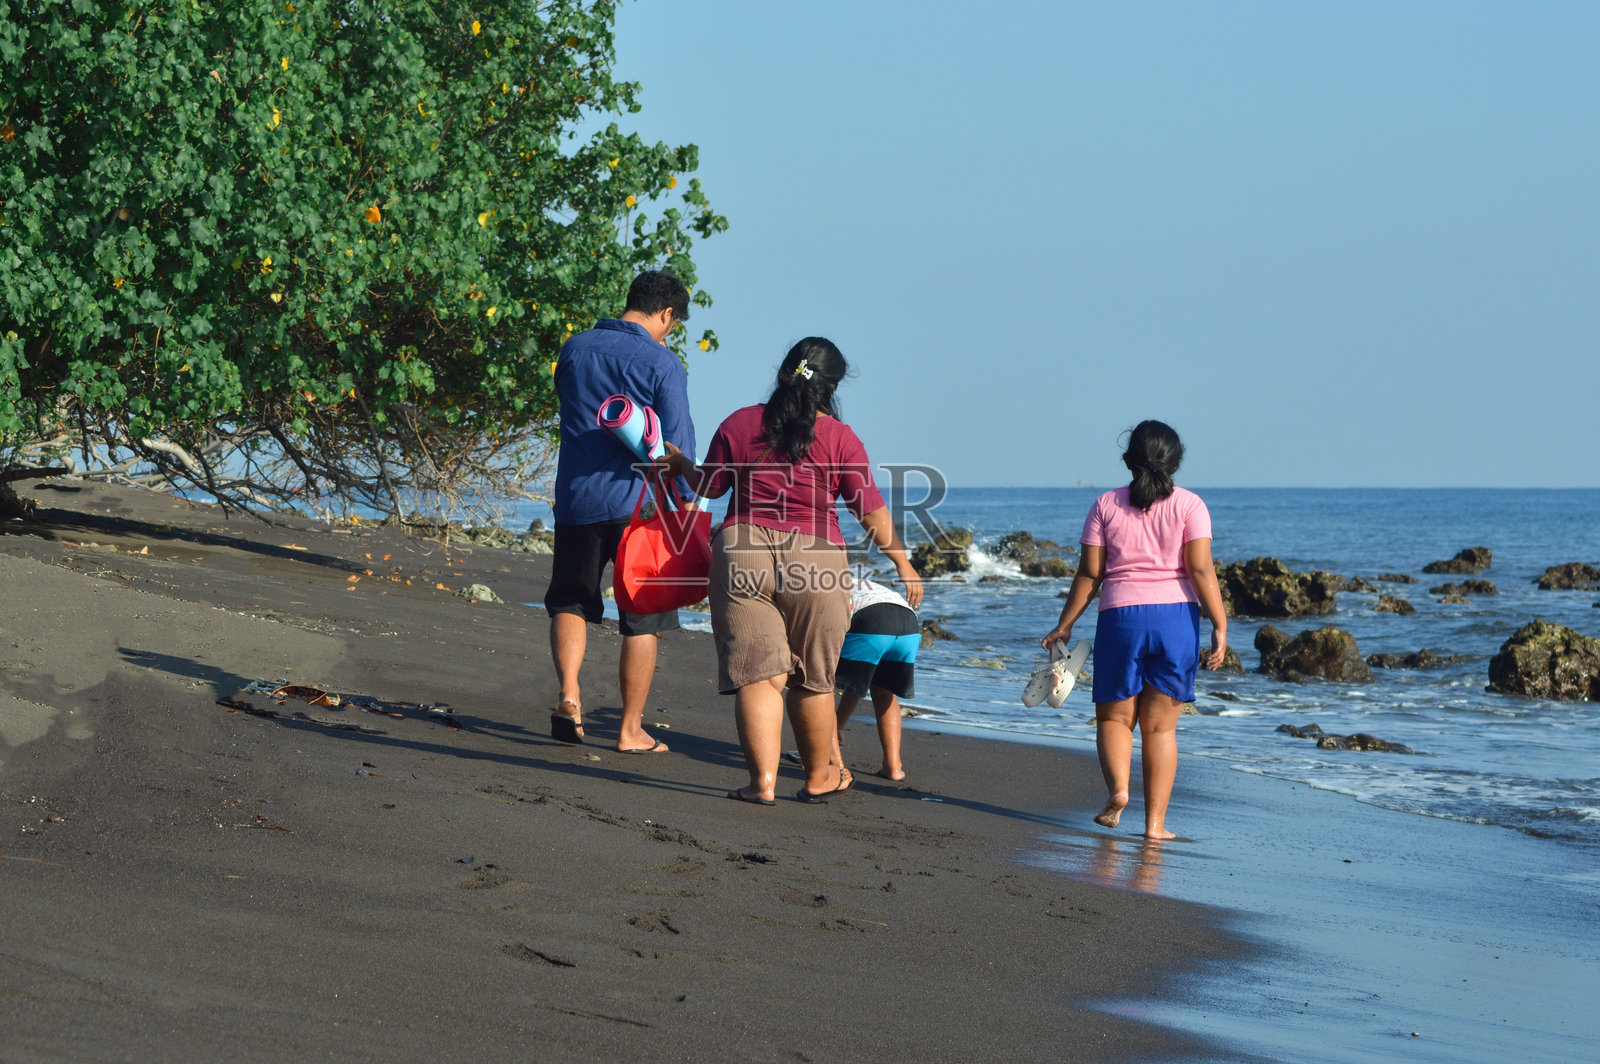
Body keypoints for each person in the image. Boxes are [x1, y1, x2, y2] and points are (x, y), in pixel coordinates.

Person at [660, 337, 923, 804]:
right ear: (833, 385)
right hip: (817, 555)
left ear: (784, 371)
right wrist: (904, 564)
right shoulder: (842, 438)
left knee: (758, 675)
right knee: (813, 678)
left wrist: (680, 462)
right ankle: (819, 778)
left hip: (743, 549)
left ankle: (761, 784)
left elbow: (711, 487)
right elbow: (871, 510)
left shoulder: (740, 424)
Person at [1041, 420, 1226, 840]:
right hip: (1176, 620)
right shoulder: (1191, 505)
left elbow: (1090, 574)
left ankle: (1119, 791)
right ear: (1175, 461)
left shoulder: (1105, 504)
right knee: (1160, 728)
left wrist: (1064, 625)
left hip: (1121, 619)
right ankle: (1155, 826)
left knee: (1114, 718)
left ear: (1128, 460)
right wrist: (1220, 622)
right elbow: (1199, 568)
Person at [543, 270, 694, 754]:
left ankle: (569, 694)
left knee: (571, 601)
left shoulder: (574, 349)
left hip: (577, 498)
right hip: (639, 507)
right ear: (667, 314)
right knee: (642, 618)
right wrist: (688, 508)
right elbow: (676, 448)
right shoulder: (663, 364)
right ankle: (630, 731)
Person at [832, 574, 920, 781]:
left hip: (871, 620)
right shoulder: (855, 580)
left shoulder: (819, 586)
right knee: (883, 693)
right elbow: (854, 686)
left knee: (822, 688)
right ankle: (893, 766)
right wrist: (837, 728)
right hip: (909, 622)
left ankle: (834, 764)